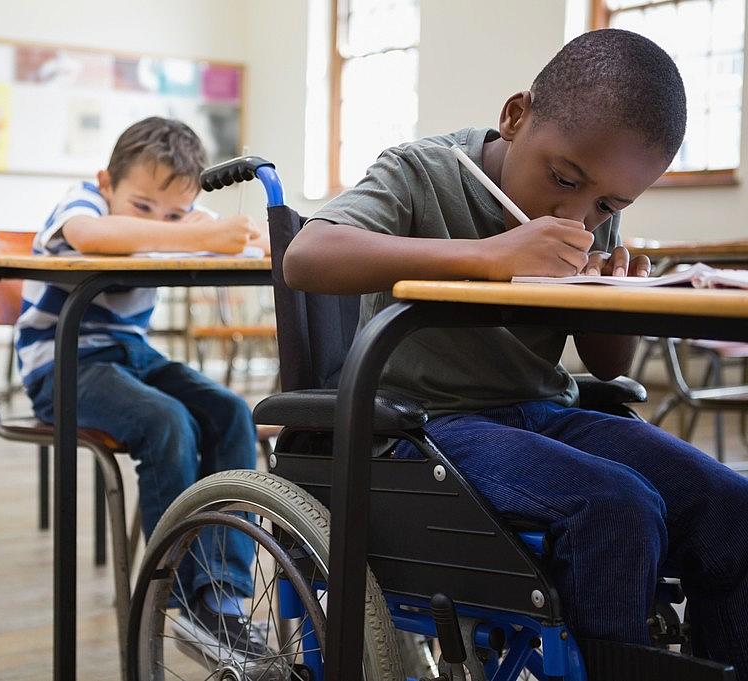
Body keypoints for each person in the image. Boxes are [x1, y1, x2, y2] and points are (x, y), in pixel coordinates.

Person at [284, 28, 748, 678]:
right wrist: (489, 256)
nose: (578, 213)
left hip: (546, 411)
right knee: (615, 506)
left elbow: (607, 362)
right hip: (431, 425)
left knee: (731, 504)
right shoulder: (423, 172)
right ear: (515, 115)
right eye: (564, 177)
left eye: (608, 204)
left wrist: (618, 287)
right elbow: (307, 257)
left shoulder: (588, 214)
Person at [14, 116, 272, 663]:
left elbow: (247, 244)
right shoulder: (81, 202)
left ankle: (220, 597)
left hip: (133, 358)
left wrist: (251, 237)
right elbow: (91, 236)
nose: (161, 221)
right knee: (166, 421)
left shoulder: (185, 218)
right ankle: (176, 599)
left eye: (175, 212)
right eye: (142, 207)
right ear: (106, 182)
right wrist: (195, 231)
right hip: (63, 365)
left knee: (230, 412)